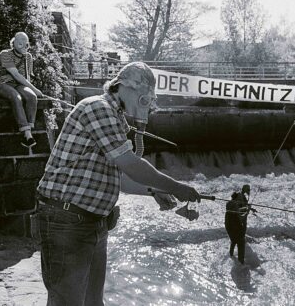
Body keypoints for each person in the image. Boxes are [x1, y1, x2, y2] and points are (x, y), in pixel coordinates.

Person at [33, 61, 200, 305]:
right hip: (67, 222)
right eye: (143, 96)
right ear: (123, 87)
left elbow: (118, 177)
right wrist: (178, 187)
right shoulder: (98, 108)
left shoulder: (116, 118)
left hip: (92, 222)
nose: (145, 101)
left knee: (93, 302)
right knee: (66, 302)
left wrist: (154, 190)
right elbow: (131, 164)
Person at [0, 32, 43, 148]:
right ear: (14, 44)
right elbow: (16, 74)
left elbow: (26, 78)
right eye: (20, 43)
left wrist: (33, 91)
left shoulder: (28, 57)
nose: (23, 46)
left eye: (26, 44)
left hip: (18, 84)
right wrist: (36, 89)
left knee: (32, 96)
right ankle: (27, 134)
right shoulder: (5, 54)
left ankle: (29, 127)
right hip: (2, 83)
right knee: (16, 97)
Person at [225, 184, 252, 264]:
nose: (248, 192)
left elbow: (240, 209)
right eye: (247, 190)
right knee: (241, 242)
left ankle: (231, 254)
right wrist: (247, 211)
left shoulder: (230, 204)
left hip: (229, 226)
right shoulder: (238, 201)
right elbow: (241, 217)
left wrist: (248, 208)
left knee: (233, 240)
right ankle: (241, 263)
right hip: (235, 226)